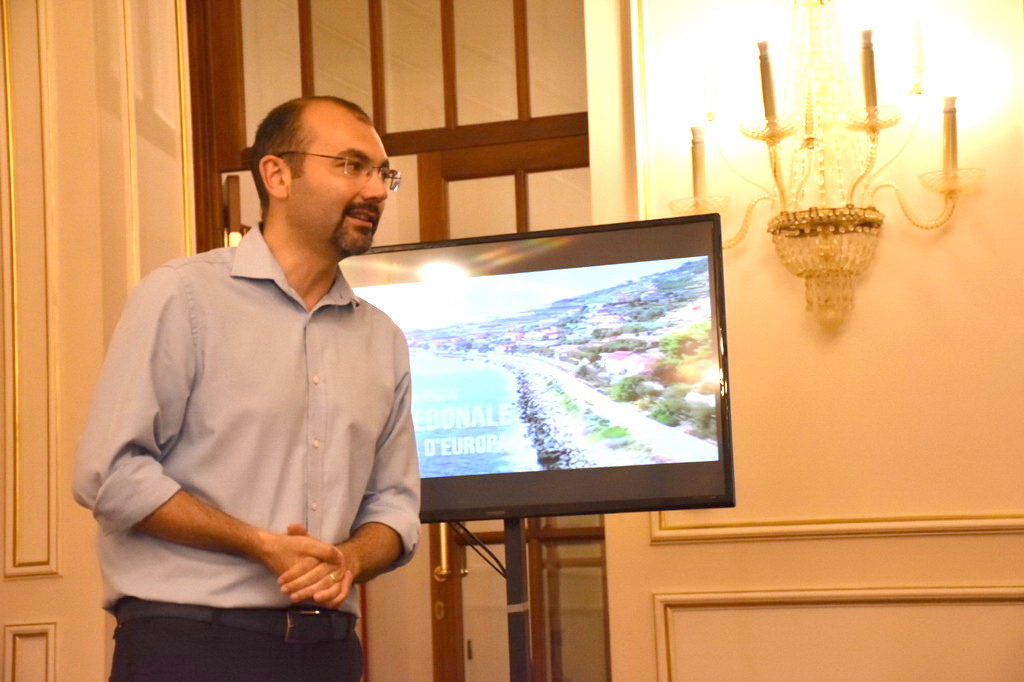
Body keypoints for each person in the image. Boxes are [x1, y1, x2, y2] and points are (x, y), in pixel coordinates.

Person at [73, 95, 420, 681]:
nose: (376, 191)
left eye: (383, 174)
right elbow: (110, 474)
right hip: (189, 646)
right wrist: (259, 544)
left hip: (330, 652)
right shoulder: (182, 297)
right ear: (277, 175)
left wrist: (349, 559)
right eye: (352, 166)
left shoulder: (383, 339)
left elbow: (395, 505)